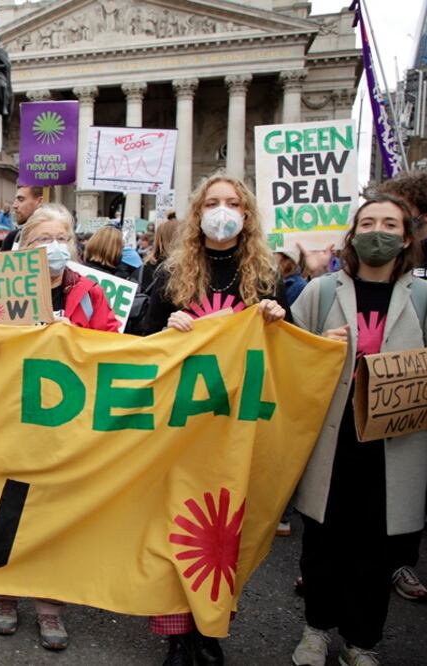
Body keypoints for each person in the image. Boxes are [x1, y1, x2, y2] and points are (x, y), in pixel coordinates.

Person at [139, 173, 287, 665]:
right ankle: (177, 636)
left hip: (235, 427)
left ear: (246, 215)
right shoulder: (169, 275)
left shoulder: (264, 278)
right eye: (212, 203)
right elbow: (141, 345)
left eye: (232, 203)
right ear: (197, 213)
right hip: (181, 425)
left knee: (221, 533)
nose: (222, 211)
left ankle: (210, 627)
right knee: (174, 527)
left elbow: (287, 354)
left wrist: (277, 319)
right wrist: (166, 326)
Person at [288, 193, 427, 666]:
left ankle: (361, 641)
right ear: (353, 234)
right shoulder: (322, 291)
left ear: (406, 238)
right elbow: (289, 358)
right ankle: (315, 631)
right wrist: (316, 346)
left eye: (389, 224)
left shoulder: (423, 297)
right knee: (322, 544)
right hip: (332, 442)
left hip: (393, 446)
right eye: (368, 223)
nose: (377, 232)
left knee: (377, 552)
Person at [0, 204, 116, 652]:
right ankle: (5, 595)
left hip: (65, 426)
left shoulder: (90, 293)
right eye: (43, 239)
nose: (54, 247)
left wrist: (75, 339)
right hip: (10, 419)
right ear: (24, 247)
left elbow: (113, 348)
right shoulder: (0, 288)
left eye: (62, 238)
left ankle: (50, 605)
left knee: (56, 512)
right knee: (7, 508)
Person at [372, 172, 427, 604]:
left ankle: (400, 562)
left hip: (414, 398)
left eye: (396, 216)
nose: (383, 227)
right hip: (373, 397)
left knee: (410, 484)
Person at [1, 186, 43, 250]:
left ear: (40, 202)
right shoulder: (12, 238)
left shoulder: (54, 238)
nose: (14, 205)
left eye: (21, 199)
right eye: (15, 200)